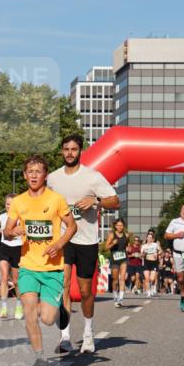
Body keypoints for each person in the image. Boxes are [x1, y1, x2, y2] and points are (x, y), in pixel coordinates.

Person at [2, 154, 78, 366]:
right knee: (28, 312)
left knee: (47, 318)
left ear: (45, 175)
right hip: (28, 265)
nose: (34, 175)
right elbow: (7, 230)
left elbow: (72, 226)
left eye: (38, 171)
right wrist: (13, 231)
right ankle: (40, 358)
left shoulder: (56, 200)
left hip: (52, 268)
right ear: (25, 175)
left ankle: (60, 311)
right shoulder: (18, 202)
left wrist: (59, 243)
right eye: (30, 171)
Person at [47, 134, 120, 354]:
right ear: (61, 151)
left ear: (80, 151)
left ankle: (88, 333)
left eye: (74, 149)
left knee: (87, 290)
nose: (69, 153)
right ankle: (65, 337)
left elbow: (115, 201)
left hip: (87, 240)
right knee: (64, 285)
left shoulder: (93, 177)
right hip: (63, 239)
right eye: (66, 149)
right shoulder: (52, 178)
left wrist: (96, 201)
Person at [0, 194, 24, 320]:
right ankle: (4, 307)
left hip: (18, 248)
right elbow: (4, 228)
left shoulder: (22, 217)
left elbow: (20, 230)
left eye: (11, 204)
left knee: (16, 281)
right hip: (4, 247)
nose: (9, 206)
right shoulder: (2, 216)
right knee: (4, 277)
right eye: (7, 204)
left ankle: (18, 305)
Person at [103, 219, 129, 307]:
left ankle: (120, 299)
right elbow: (106, 247)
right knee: (115, 280)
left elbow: (126, 245)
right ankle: (115, 296)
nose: (120, 227)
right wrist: (112, 243)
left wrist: (128, 249)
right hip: (114, 259)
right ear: (115, 226)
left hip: (123, 258)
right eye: (118, 225)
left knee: (122, 278)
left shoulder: (126, 235)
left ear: (123, 226)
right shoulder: (111, 235)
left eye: (121, 225)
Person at [139, 230, 162, 297]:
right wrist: (143, 254)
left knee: (152, 279)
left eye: (150, 238)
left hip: (154, 263)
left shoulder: (155, 244)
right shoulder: (144, 246)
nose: (149, 239)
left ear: (152, 239)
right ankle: (148, 292)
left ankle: (152, 288)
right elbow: (141, 256)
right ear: (146, 238)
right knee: (147, 278)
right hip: (146, 263)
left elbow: (161, 251)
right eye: (148, 237)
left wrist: (157, 254)